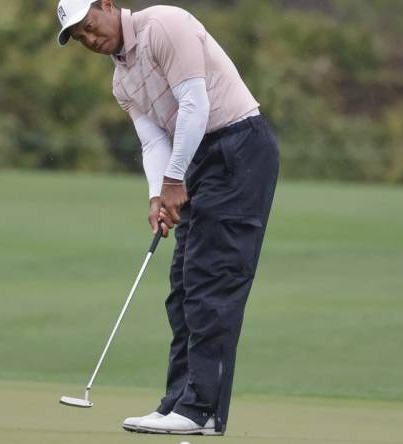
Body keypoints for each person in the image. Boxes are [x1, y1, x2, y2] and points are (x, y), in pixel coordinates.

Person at [56, 0, 279, 436]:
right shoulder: (123, 80)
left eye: (88, 26)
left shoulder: (163, 24)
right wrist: (158, 196)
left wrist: (174, 180)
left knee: (210, 282)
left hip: (238, 148)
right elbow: (153, 142)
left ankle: (202, 410)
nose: (89, 39)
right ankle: (180, 401)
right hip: (197, 160)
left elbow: (194, 104)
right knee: (183, 288)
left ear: (106, 5)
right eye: (79, 37)